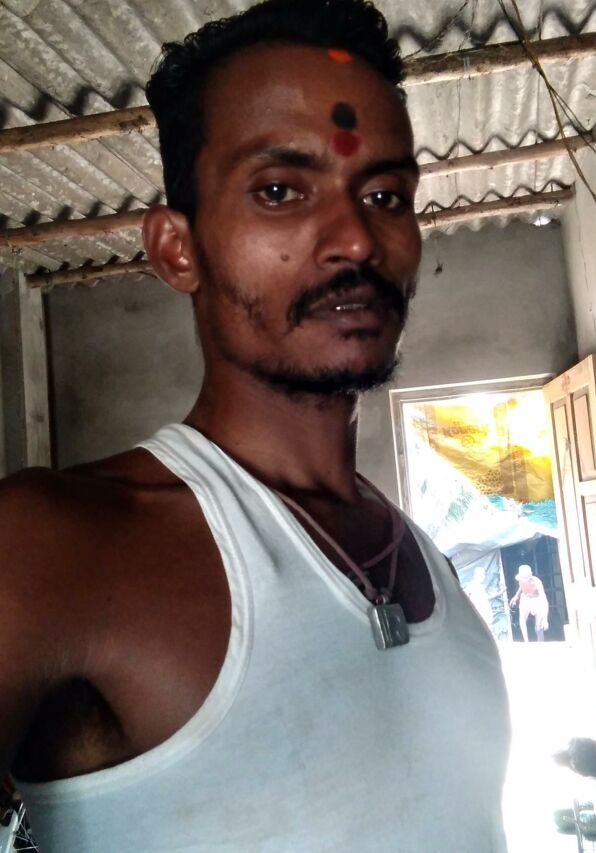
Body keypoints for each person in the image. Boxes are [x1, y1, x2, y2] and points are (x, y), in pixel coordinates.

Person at [0, 1, 510, 850]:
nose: (356, 240)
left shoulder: (432, 569)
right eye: (280, 191)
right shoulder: (55, 548)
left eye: (384, 195)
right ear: (177, 249)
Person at [509, 563, 549, 642]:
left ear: (530, 575)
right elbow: (521, 586)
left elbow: (544, 601)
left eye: (525, 578)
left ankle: (541, 643)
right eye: (522, 578)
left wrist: (545, 619)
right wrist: (516, 596)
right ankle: (526, 641)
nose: (523, 579)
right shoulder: (520, 579)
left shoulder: (537, 583)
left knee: (538, 627)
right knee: (522, 618)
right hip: (526, 598)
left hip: (537, 600)